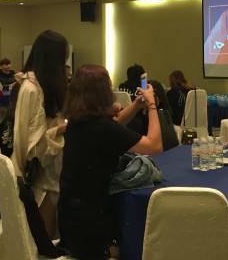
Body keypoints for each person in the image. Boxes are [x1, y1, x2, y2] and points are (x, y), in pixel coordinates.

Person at [58, 64, 162, 260]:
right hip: (91, 227)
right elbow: (155, 145)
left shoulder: (77, 122)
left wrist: (135, 105)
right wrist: (151, 105)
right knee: (141, 247)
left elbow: (114, 124)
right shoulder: (102, 128)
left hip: (70, 219)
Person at [12, 30, 69, 238]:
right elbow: (34, 143)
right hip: (44, 166)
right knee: (46, 226)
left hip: (52, 160)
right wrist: (62, 128)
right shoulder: (33, 88)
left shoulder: (41, 83)